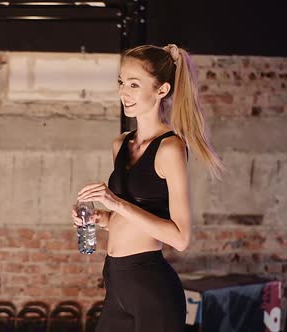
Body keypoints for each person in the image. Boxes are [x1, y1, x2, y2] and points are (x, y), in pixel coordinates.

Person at [71, 44, 225, 332]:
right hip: (116, 280)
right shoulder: (121, 144)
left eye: (133, 84)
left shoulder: (170, 147)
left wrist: (115, 204)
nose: (123, 92)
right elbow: (131, 217)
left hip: (150, 285)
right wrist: (101, 219)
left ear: (161, 90)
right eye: (121, 82)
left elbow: (180, 239)